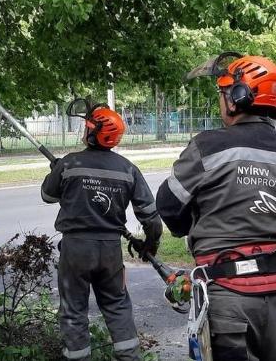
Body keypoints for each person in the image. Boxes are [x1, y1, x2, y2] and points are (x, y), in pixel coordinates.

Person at [156, 54, 276, 361]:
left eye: (222, 93)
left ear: (236, 97)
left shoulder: (207, 148)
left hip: (228, 303)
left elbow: (168, 205)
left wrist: (187, 225)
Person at [42, 103, 163, 361]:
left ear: (93, 134)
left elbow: (47, 195)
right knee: (118, 307)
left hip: (75, 251)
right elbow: (151, 218)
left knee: (74, 311)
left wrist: (57, 173)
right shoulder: (128, 169)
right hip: (110, 252)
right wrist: (150, 244)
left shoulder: (69, 164)